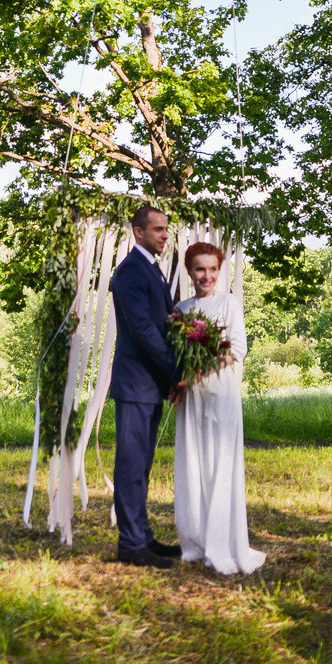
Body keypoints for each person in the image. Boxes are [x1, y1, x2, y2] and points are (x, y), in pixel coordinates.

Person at [173, 241, 266, 576]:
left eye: (212, 269)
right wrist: (180, 378)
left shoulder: (229, 302)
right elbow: (175, 352)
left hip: (220, 391)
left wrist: (201, 370)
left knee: (219, 462)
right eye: (200, 269)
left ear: (220, 270)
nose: (207, 276)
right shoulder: (181, 310)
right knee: (193, 461)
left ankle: (222, 543)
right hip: (191, 394)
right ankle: (195, 541)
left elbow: (237, 348)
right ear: (189, 271)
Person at [108, 203, 185, 568]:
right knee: (131, 465)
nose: (165, 235)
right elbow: (143, 331)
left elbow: (162, 325)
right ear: (138, 232)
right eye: (158, 229)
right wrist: (175, 371)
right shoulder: (130, 271)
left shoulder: (150, 267)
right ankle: (131, 545)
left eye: (166, 229)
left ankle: (143, 536)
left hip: (149, 384)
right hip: (135, 383)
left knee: (141, 466)